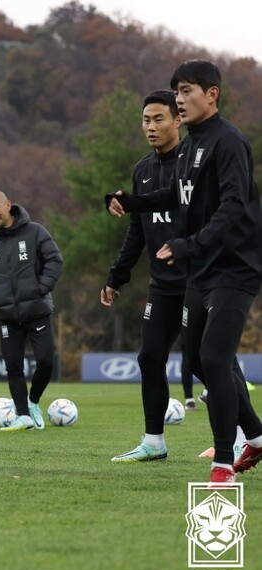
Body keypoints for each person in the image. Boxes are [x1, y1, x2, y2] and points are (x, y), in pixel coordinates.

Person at [106, 59, 262, 483]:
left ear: (211, 94)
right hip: (201, 272)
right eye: (177, 91)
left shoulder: (229, 142)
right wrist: (130, 200)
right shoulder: (191, 145)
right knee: (196, 361)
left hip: (234, 269)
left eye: (187, 90)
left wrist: (188, 244)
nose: (180, 98)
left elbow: (233, 205)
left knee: (213, 357)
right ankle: (258, 438)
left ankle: (223, 462)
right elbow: (176, 194)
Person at [102, 90, 190, 462]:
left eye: (158, 119)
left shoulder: (194, 163)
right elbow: (137, 232)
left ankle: (241, 436)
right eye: (145, 120)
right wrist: (116, 277)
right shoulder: (142, 170)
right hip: (163, 284)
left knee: (208, 359)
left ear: (178, 120)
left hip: (199, 279)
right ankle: (154, 441)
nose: (151, 127)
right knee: (149, 357)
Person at [0, 190, 63, 431]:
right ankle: (23, 415)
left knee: (46, 361)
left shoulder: (36, 232)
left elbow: (55, 261)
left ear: (8, 205)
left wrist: (41, 288)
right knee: (13, 366)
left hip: (37, 310)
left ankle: (33, 401)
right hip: (7, 316)